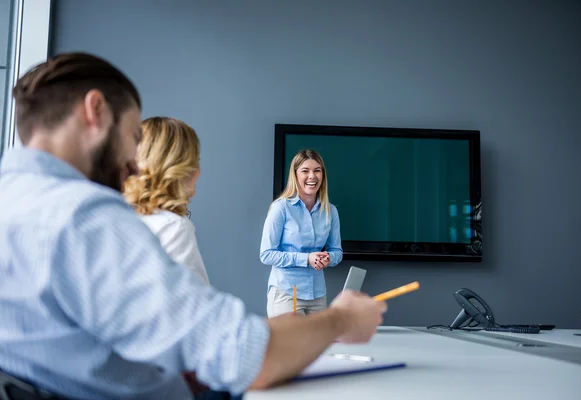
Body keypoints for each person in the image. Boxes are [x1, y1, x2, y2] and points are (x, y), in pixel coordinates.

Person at [0, 52, 386, 400]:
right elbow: (248, 356)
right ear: (95, 110)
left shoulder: (12, 199)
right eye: (133, 137)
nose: (135, 167)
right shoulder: (85, 216)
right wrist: (342, 318)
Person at [123, 116, 209, 284]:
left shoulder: (115, 218)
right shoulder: (174, 228)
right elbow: (188, 306)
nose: (199, 171)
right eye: (194, 162)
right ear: (178, 169)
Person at [260, 149, 343, 317]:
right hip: (286, 293)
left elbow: (337, 252)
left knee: (319, 343)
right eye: (305, 171)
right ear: (295, 175)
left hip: (318, 295)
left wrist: (328, 258)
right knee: (289, 344)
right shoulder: (281, 208)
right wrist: (307, 259)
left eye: (317, 171)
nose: (312, 176)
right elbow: (266, 254)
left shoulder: (330, 211)